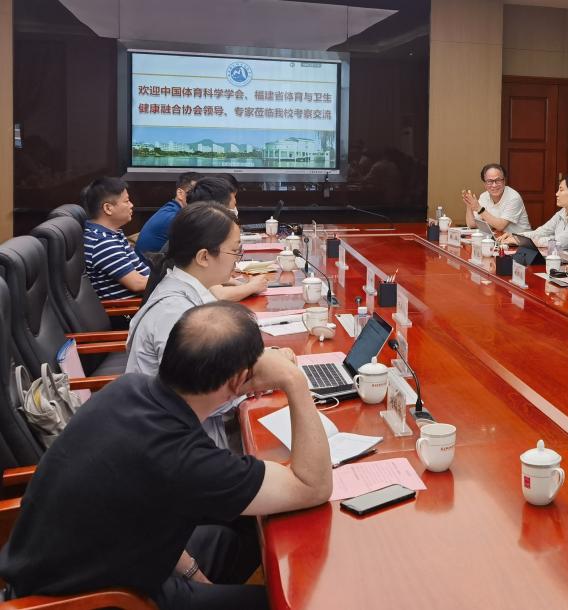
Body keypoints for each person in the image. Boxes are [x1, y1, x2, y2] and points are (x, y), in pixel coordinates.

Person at [0, 302, 332, 610]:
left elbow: (146, 500)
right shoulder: (185, 459)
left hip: (77, 567)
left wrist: (192, 573)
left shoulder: (128, 388)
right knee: (281, 603)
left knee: (246, 527)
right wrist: (294, 380)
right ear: (237, 380)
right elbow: (312, 486)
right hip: (91, 601)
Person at [128, 201, 265, 448]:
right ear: (203, 257)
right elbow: (205, 399)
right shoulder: (175, 312)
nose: (237, 261)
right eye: (235, 251)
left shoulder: (184, 289)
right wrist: (260, 378)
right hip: (174, 444)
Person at [184, 176, 265, 302]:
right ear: (218, 209)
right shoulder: (197, 235)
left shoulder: (191, 225)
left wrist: (239, 284)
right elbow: (219, 294)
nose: (235, 211)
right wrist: (252, 286)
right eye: (234, 250)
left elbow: (212, 283)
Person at [498, 175, 568, 262]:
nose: (557, 194)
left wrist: (520, 241)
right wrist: (516, 236)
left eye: (561, 190)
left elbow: (558, 243)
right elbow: (542, 231)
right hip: (561, 262)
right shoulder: (562, 212)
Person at [83, 177, 151, 300]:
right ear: (108, 208)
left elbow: (140, 269)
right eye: (127, 201)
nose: (131, 205)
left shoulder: (112, 233)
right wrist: (173, 284)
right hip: (130, 308)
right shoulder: (102, 241)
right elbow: (137, 284)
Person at [135, 172, 202, 258]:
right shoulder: (174, 217)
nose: (199, 197)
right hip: (148, 266)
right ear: (180, 193)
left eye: (201, 193)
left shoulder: (171, 209)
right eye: (194, 192)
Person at [462, 163, 531, 234]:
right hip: (498, 238)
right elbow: (472, 225)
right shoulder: (484, 196)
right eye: (490, 181)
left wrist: (479, 208)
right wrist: (469, 204)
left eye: (498, 180)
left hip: (519, 239)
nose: (494, 185)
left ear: (504, 181)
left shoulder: (513, 197)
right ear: (484, 184)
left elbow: (500, 226)